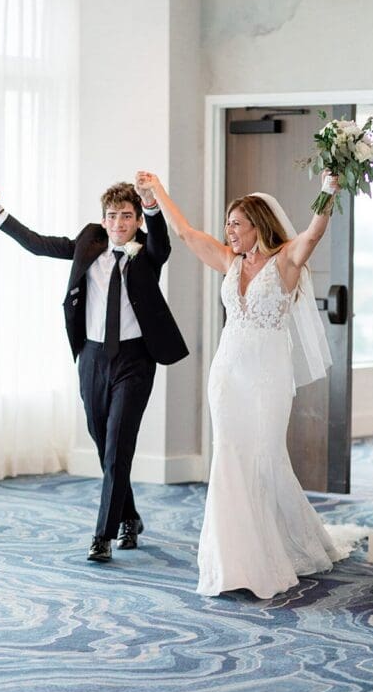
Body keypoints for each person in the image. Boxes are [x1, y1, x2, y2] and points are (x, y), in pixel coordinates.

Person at [136, 169, 358, 599]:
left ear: (259, 224)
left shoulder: (286, 261)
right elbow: (183, 232)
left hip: (268, 378)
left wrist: (327, 192)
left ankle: (271, 550)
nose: (229, 231)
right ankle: (232, 558)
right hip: (227, 374)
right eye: (227, 224)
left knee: (263, 458)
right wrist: (157, 188)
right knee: (229, 459)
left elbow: (313, 234)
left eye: (237, 223)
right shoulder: (228, 260)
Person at [0, 181, 188, 562]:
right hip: (93, 358)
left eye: (126, 216)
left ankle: (103, 536)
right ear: (103, 219)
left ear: (136, 220)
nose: (118, 223)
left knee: (118, 444)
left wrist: (151, 205)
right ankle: (129, 515)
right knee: (103, 442)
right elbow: (38, 243)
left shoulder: (149, 250)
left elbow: (162, 239)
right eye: (112, 216)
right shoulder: (89, 244)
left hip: (135, 359)